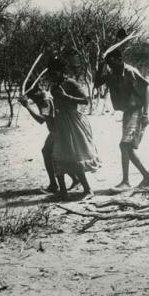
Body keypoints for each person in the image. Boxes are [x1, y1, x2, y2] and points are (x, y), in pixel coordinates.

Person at [94, 49, 149, 191]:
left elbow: (145, 89)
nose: (110, 65)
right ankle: (144, 178)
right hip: (127, 113)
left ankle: (133, 180)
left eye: (111, 62)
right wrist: (101, 65)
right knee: (126, 147)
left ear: (120, 59)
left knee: (125, 145)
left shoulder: (130, 71)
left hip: (136, 112)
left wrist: (146, 113)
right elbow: (97, 83)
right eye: (108, 63)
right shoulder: (112, 74)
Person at [44, 57, 101, 199]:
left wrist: (66, 97)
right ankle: (62, 191)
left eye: (54, 72)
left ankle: (87, 190)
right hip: (60, 122)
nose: (51, 76)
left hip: (73, 122)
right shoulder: (53, 86)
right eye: (50, 73)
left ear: (61, 71)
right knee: (56, 155)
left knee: (74, 155)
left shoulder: (70, 83)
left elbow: (86, 100)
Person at [18, 82, 60, 193]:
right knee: (51, 154)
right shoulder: (43, 96)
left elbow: (41, 119)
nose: (30, 98)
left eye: (31, 95)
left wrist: (27, 106)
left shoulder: (44, 99)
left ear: (36, 91)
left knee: (48, 153)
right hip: (56, 130)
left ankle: (54, 185)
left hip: (57, 131)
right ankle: (59, 183)